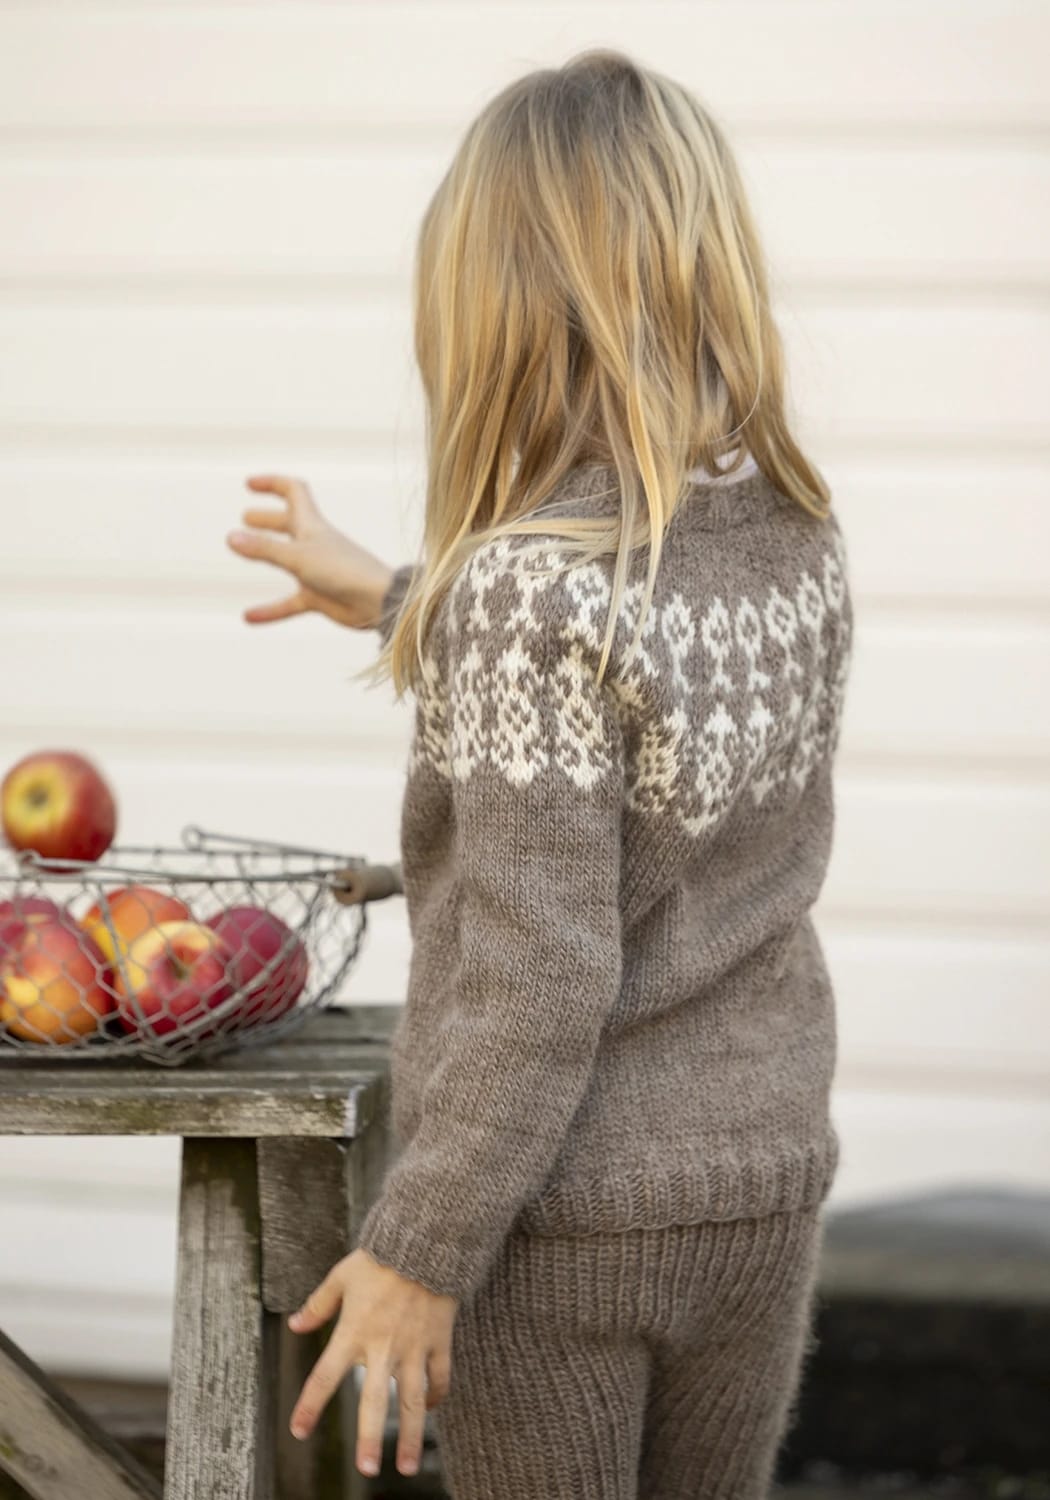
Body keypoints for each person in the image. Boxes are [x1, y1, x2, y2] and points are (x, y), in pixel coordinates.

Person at [226, 47, 854, 1500]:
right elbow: (650, 716)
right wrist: (405, 602)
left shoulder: (519, 595)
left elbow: (541, 972)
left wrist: (418, 1249)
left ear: (489, 308)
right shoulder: (791, 532)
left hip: (559, 1216)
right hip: (759, 1177)